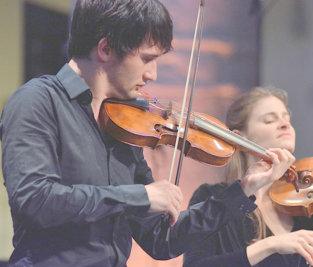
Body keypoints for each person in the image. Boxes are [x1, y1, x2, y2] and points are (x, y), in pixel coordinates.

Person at [0, 1, 296, 266]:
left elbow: (162, 241)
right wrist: (138, 195)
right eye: (146, 58)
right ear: (105, 49)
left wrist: (243, 189)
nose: (152, 74)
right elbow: (35, 200)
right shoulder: (37, 101)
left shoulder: (123, 125)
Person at [183, 86, 313, 267]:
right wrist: (270, 245)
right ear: (240, 137)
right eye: (269, 120)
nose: (285, 124)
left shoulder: (308, 209)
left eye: (287, 119)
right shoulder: (213, 199)